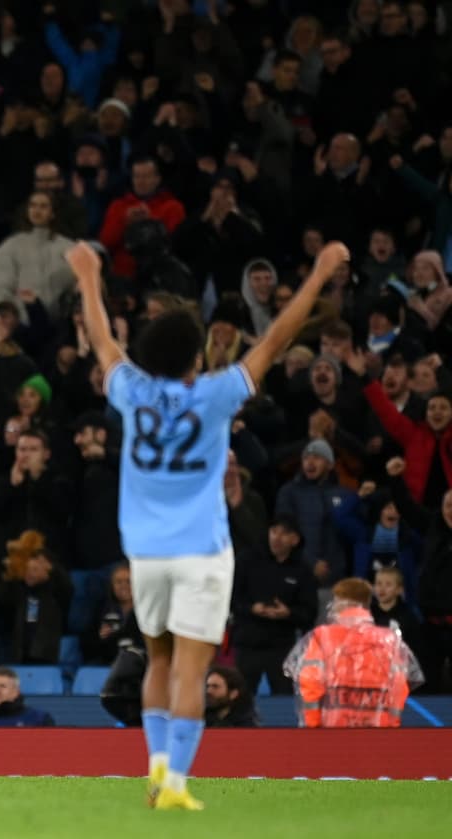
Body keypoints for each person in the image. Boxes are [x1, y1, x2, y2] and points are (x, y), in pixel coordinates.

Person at [65, 238, 350, 809]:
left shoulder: (130, 390)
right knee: (194, 669)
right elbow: (275, 339)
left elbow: (101, 340)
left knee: (158, 660)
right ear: (197, 359)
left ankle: (155, 770)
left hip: (145, 554)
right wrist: (318, 275)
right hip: (201, 551)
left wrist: (90, 276)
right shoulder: (218, 394)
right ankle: (175, 786)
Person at [284, 578, 424, 728]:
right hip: (378, 727)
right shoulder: (390, 640)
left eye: (335, 600)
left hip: (333, 726)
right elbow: (398, 686)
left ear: (341, 602)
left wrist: (313, 724)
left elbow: (311, 682)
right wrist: (392, 724)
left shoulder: (321, 637)